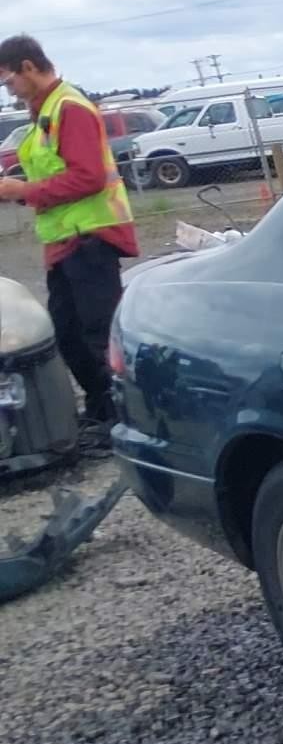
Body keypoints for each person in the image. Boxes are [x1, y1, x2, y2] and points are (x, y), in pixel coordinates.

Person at [0, 34, 137, 446]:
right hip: (67, 241)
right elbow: (59, 173)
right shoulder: (45, 112)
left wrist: (22, 192)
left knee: (97, 336)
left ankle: (122, 419)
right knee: (69, 333)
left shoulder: (69, 108)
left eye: (8, 81)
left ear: (28, 67)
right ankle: (102, 412)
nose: (8, 91)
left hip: (90, 238)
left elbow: (87, 177)